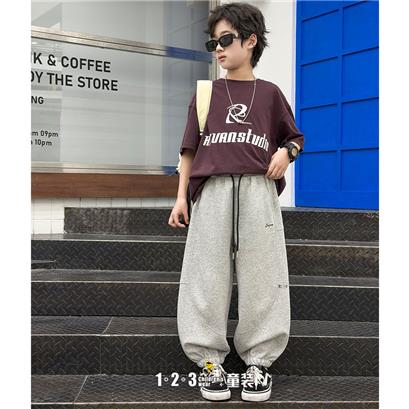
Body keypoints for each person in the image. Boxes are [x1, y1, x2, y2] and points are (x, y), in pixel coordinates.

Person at [168, 2, 304, 403]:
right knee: (204, 276)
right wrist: (180, 198)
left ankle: (258, 362)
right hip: (212, 192)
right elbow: (189, 151)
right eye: (213, 42)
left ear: (250, 40)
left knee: (263, 276)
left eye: (225, 40)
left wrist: (286, 154)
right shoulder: (205, 93)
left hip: (258, 192)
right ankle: (210, 361)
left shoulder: (271, 94)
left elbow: (294, 138)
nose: (218, 49)